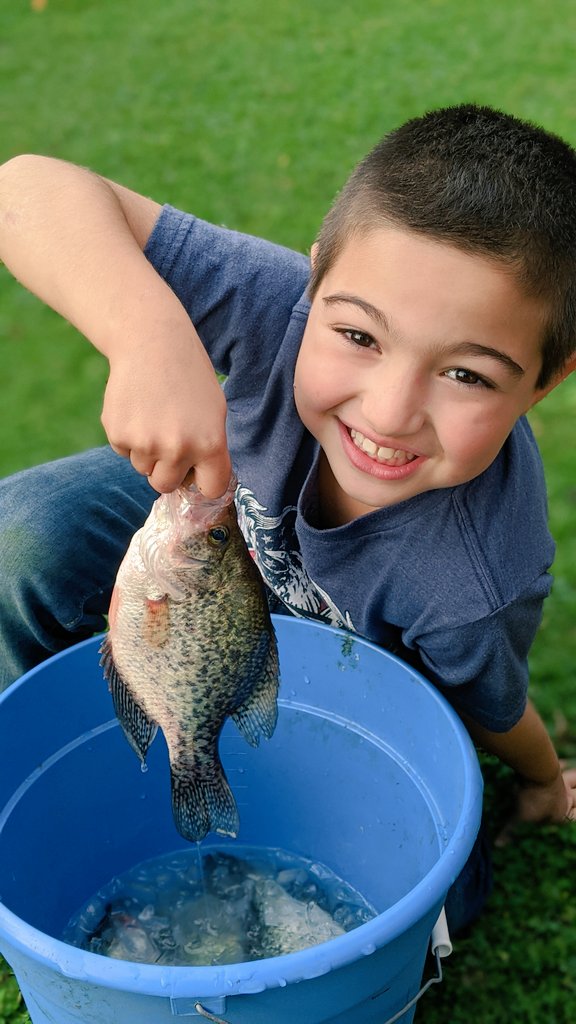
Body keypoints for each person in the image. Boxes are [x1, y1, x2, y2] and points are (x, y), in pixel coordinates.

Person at [0, 104, 575, 933]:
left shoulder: (470, 581)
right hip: (202, 533)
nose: (389, 411)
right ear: (312, 288)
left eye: (468, 376)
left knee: (439, 900)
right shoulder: (275, 310)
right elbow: (25, 189)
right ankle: (55, 769)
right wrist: (149, 338)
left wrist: (540, 780)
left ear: (545, 381)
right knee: (22, 532)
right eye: (357, 336)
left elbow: (491, 705)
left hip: (342, 658)